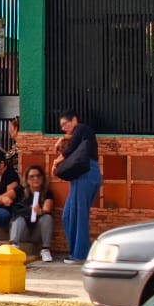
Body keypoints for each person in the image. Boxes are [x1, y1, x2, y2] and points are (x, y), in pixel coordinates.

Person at [53, 110, 101, 265]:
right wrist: (63, 138)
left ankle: (80, 254)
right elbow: (73, 140)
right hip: (80, 177)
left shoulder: (82, 128)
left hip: (86, 174)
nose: (63, 128)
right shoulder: (81, 133)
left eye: (65, 124)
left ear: (74, 120)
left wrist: (56, 162)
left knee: (79, 215)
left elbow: (71, 148)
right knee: (68, 215)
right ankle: (75, 251)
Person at [11, 165, 55, 262]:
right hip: (23, 231)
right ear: (27, 180)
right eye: (32, 176)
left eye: (38, 176)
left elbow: (47, 208)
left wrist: (40, 211)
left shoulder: (47, 192)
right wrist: (2, 198)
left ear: (42, 178)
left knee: (47, 218)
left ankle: (45, 250)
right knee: (18, 219)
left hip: (37, 232)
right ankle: (13, 247)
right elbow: (6, 197)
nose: (35, 179)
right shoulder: (20, 191)